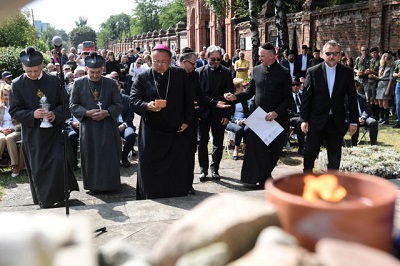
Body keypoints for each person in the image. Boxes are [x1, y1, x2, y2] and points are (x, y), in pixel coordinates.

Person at [9, 46, 79, 208]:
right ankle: (45, 200)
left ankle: (62, 194)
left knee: (59, 160)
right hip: (33, 135)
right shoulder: (17, 84)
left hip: (54, 132)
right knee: (39, 167)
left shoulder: (54, 80)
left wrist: (54, 114)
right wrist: (32, 114)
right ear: (23, 68)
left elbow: (65, 105)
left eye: (36, 70)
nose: (33, 74)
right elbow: (14, 110)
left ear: (42, 66)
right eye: (30, 71)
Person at [130, 44, 195, 200]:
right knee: (150, 169)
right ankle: (150, 194)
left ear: (171, 60)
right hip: (152, 131)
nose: (159, 64)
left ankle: (177, 193)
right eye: (155, 61)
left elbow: (189, 99)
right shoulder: (143, 77)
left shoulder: (180, 74)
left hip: (175, 131)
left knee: (176, 168)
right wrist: (147, 106)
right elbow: (133, 100)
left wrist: (187, 120)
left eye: (163, 61)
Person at [224, 42, 292, 188]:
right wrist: (235, 97)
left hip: (277, 120)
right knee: (257, 151)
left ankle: (265, 176)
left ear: (272, 56)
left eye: (262, 56)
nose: (259, 58)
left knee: (273, 152)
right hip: (259, 119)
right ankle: (256, 179)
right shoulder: (256, 70)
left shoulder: (284, 72)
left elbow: (288, 99)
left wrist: (276, 112)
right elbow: (250, 92)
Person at [300, 40, 358, 172]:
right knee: (309, 153)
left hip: (336, 121)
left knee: (335, 155)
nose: (332, 56)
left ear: (340, 55)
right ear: (322, 54)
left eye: (335, 53)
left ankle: (332, 185)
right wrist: (304, 119)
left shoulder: (347, 72)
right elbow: (306, 98)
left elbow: (352, 98)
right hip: (316, 120)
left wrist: (354, 121)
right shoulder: (313, 71)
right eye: (328, 53)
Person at [69, 52, 123, 195]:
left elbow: (118, 104)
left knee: (109, 155)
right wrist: (87, 113)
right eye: (92, 72)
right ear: (86, 69)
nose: (95, 75)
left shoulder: (110, 83)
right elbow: (73, 105)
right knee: (91, 155)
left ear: (103, 69)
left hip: (107, 126)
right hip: (89, 127)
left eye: (98, 72)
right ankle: (93, 185)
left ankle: (111, 185)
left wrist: (106, 112)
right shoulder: (79, 83)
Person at [197, 45, 234, 181]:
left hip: (220, 114)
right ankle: (203, 170)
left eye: (219, 59)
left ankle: (215, 169)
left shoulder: (226, 72)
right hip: (203, 114)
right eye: (213, 59)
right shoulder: (199, 72)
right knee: (202, 142)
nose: (216, 62)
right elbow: (197, 95)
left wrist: (227, 115)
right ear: (207, 57)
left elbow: (230, 95)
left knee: (218, 142)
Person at [179, 47, 200, 194]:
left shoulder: (194, 76)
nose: (195, 67)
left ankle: (188, 184)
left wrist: (213, 103)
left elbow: (199, 95)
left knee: (190, 154)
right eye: (193, 64)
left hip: (191, 120)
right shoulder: (173, 75)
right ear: (184, 62)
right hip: (176, 122)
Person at [225, 78, 251, 160]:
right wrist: (236, 121)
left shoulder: (244, 98)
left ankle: (245, 147)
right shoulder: (230, 99)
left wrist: (245, 119)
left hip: (243, 120)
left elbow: (247, 111)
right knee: (239, 130)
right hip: (230, 121)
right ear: (236, 88)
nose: (243, 88)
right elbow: (228, 114)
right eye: (241, 86)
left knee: (248, 128)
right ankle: (236, 149)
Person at [0, 84, 21, 177]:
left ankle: (15, 165)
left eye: (8, 94)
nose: (7, 97)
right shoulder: (0, 107)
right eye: (4, 95)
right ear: (1, 96)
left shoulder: (18, 106)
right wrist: (2, 130)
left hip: (15, 130)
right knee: (1, 139)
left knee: (9, 138)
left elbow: (22, 122)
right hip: (2, 130)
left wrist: (13, 128)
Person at [370, 52, 394, 125]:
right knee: (380, 102)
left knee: (385, 103)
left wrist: (387, 89)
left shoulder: (390, 67)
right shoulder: (381, 67)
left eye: (387, 58)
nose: (385, 60)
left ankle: (386, 119)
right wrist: (374, 76)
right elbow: (380, 78)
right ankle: (381, 118)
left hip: (386, 84)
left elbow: (390, 79)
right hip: (380, 84)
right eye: (384, 58)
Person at [287, 76, 306, 155]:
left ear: (300, 85)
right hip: (291, 118)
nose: (295, 86)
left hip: (303, 117)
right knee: (300, 121)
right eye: (293, 84)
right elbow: (287, 110)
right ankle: (301, 147)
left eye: (297, 84)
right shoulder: (287, 96)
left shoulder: (303, 96)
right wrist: (299, 115)